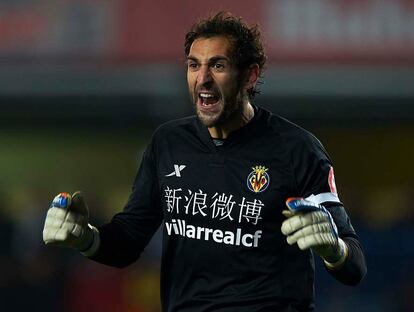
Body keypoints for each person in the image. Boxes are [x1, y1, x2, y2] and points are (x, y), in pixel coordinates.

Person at [43, 12, 366, 312]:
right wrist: (85, 238)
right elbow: (128, 241)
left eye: (218, 65)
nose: (203, 78)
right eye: (194, 65)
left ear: (249, 75)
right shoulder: (168, 142)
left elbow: (355, 267)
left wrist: (332, 248)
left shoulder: (298, 149)